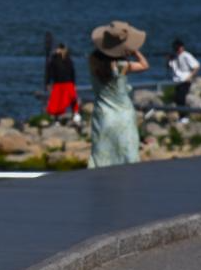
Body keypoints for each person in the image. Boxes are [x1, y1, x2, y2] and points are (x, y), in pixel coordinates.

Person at [88, 21, 149, 168]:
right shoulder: (123, 66)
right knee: (127, 157)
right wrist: (133, 50)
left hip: (103, 116)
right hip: (124, 116)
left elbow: (99, 55)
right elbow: (144, 65)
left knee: (101, 158)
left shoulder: (92, 62)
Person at [45, 43, 80, 123]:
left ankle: (75, 115)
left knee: (70, 99)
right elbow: (50, 72)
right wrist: (48, 83)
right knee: (58, 102)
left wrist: (48, 83)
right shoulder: (57, 59)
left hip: (66, 83)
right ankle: (58, 118)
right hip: (60, 83)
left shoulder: (66, 59)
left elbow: (72, 72)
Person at [168, 39, 200, 124]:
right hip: (177, 80)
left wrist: (190, 76)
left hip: (185, 80)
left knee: (181, 98)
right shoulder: (175, 56)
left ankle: (184, 117)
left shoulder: (186, 55)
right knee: (177, 99)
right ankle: (181, 117)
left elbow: (196, 66)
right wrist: (169, 60)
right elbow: (171, 66)